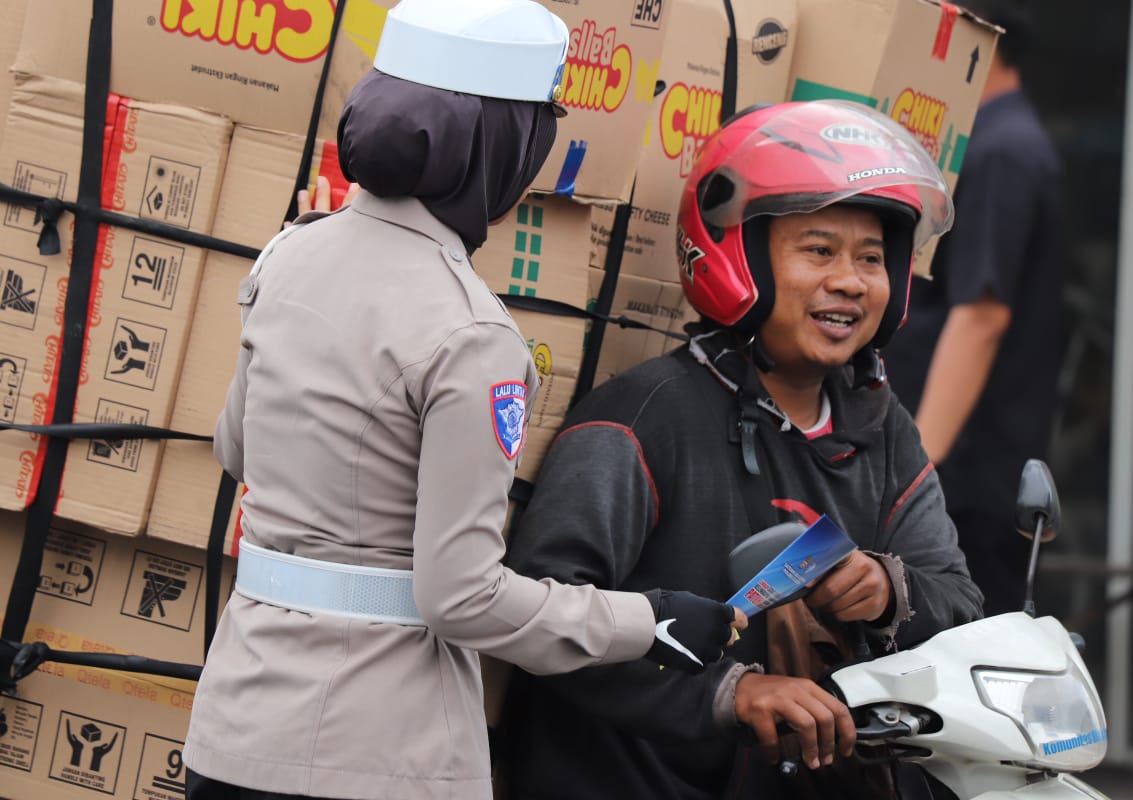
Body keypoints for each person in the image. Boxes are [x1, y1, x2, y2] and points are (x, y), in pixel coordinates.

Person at [181, 2, 744, 800]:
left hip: (235, 730)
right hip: (375, 761)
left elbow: (236, 448)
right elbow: (464, 597)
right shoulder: (471, 334)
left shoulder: (290, 252)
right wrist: (649, 622)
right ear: (503, 151)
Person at [502, 100, 985, 800]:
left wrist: (886, 593)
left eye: (872, 258)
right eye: (819, 250)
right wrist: (729, 691)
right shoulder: (645, 416)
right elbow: (539, 610)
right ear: (739, 258)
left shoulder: (882, 428)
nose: (851, 280)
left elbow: (961, 602)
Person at [883, 0, 1066, 616]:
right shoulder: (995, 139)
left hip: (962, 483)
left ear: (973, 33)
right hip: (962, 477)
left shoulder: (1002, 148)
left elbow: (981, 315)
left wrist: (916, 473)